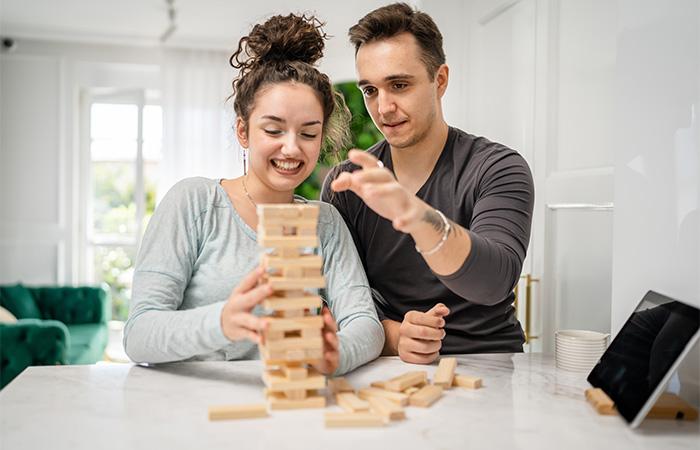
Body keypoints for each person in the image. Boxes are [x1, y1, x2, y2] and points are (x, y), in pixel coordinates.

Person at [124, 13, 384, 376]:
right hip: (193, 411)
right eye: (274, 130)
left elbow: (365, 325)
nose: (291, 149)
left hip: (289, 411)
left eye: (309, 134)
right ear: (244, 132)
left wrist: (334, 352)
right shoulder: (195, 203)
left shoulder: (325, 222)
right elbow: (139, 334)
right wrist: (223, 323)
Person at [322, 3, 535, 364]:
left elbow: (493, 282)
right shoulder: (348, 184)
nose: (383, 107)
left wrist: (414, 214)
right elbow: (340, 299)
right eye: (370, 90)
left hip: (491, 365)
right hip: (388, 365)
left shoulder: (497, 167)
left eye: (399, 85)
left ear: (440, 80)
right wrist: (393, 335)